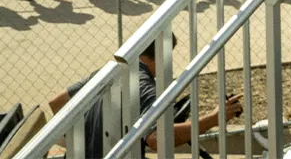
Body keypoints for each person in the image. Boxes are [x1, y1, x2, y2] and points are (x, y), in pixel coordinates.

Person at [49, 34, 242, 158]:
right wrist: (214, 119)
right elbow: (157, 139)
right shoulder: (146, 89)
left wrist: (84, 142)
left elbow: (57, 103)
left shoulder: (106, 73)